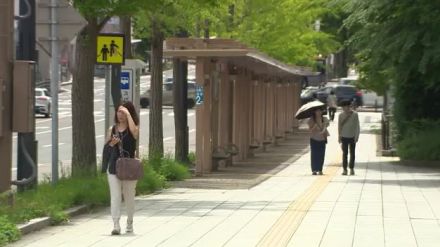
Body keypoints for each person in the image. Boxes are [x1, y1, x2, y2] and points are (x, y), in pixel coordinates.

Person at [102, 101, 139, 235]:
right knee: (115, 196)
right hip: (113, 167)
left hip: (129, 167)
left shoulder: (133, 128)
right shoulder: (112, 129)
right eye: (119, 111)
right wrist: (111, 144)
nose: (120, 115)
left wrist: (129, 115)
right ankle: (116, 224)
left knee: (129, 197)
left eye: (123, 112)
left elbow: (135, 133)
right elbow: (106, 149)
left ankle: (129, 222)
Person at [338, 100, 360, 175]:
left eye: (346, 107)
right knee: (345, 153)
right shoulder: (340, 115)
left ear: (349, 106)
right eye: (343, 107)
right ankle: (344, 169)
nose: (345, 108)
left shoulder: (355, 114)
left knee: (352, 153)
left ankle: (351, 168)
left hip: (352, 136)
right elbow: (339, 126)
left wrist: (356, 136)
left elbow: (357, 126)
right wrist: (339, 136)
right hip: (344, 136)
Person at [308, 107, 329, 175]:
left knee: (321, 154)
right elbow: (310, 130)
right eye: (317, 111)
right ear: (314, 112)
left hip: (322, 139)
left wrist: (324, 126)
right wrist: (314, 126)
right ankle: (314, 169)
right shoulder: (311, 120)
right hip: (314, 138)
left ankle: (320, 169)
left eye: (320, 111)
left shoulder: (324, 119)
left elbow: (326, 126)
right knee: (314, 154)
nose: (319, 112)